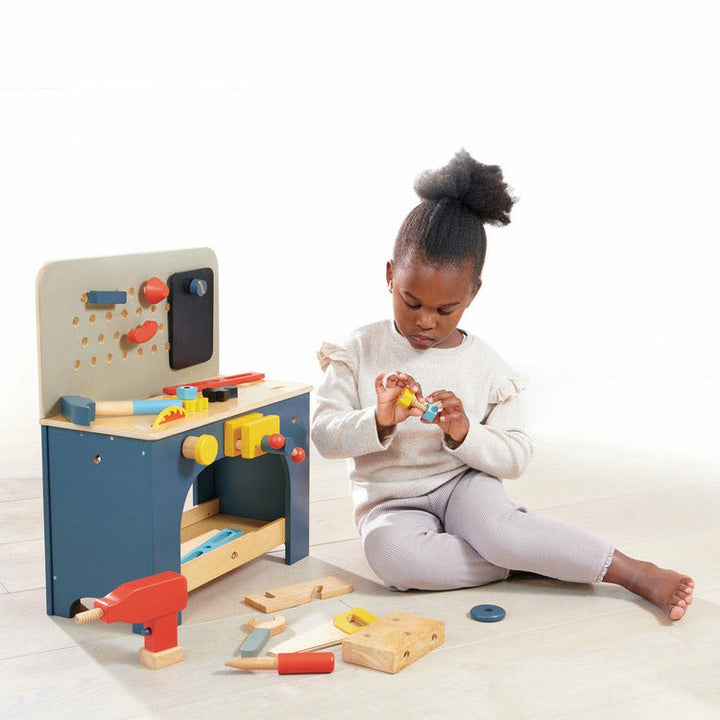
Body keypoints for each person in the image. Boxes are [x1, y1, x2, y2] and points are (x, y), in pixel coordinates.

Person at [311, 149, 694, 620]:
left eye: (445, 310)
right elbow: (324, 434)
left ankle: (630, 571)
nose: (426, 321)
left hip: (463, 485)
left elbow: (516, 456)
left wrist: (464, 432)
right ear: (390, 276)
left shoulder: (487, 367)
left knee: (501, 532)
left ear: (472, 293)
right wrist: (379, 418)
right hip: (391, 502)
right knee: (395, 560)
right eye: (411, 302)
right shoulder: (356, 350)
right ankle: (527, 561)